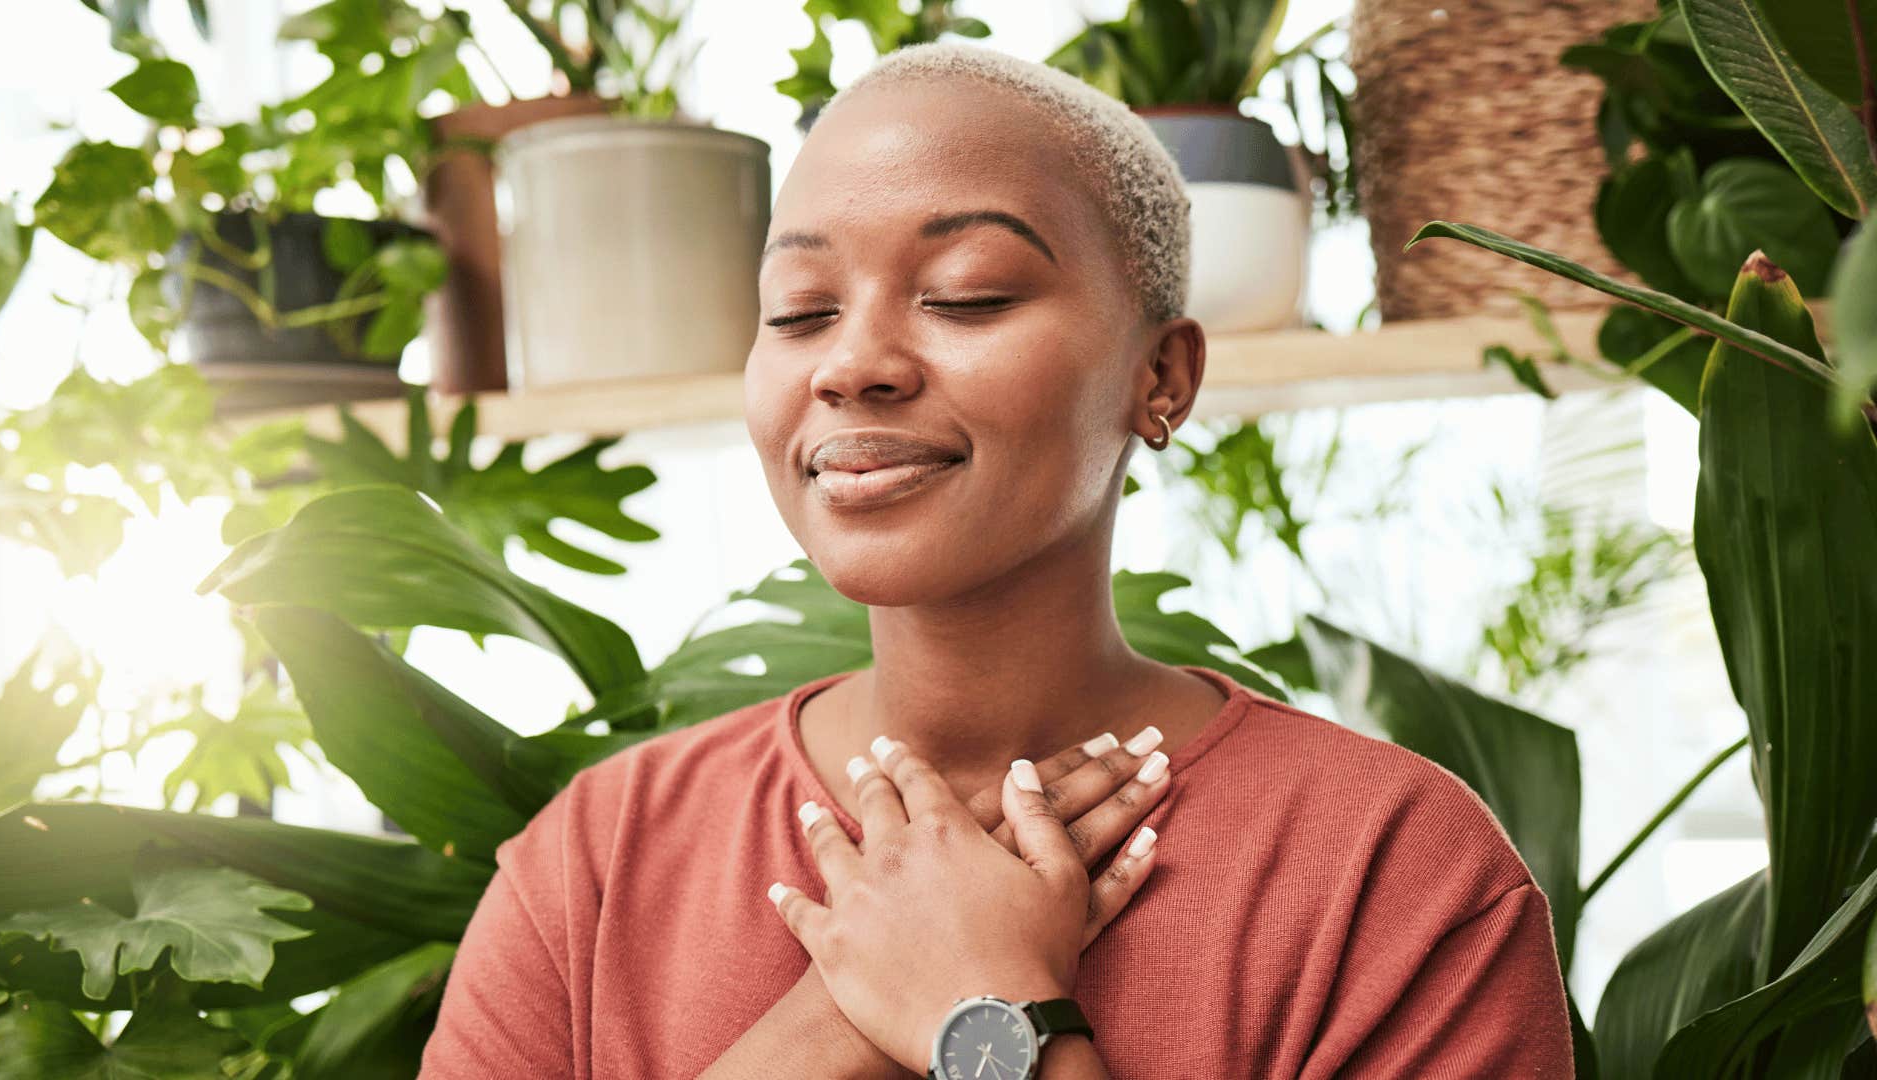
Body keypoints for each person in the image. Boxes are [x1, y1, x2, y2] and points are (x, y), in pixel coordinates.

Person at [418, 41, 1575, 1080]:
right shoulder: (600, 859)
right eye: (800, 310)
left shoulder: (1392, 876)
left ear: (1160, 377)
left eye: (965, 294)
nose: (853, 362)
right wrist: (837, 1013)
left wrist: (998, 1020)